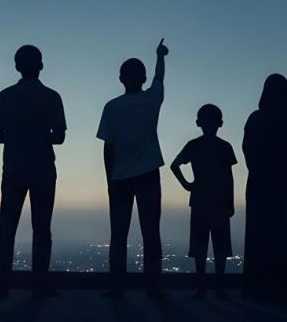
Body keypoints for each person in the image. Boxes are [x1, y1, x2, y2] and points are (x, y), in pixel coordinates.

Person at [0, 45, 66, 298]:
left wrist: (17, 136)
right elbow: (59, 138)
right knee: (42, 228)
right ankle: (40, 284)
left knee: (7, 227)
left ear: (16, 66)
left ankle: (2, 285)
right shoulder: (52, 97)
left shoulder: (5, 96)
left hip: (13, 167)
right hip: (44, 167)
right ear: (41, 66)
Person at [97, 38, 169, 296]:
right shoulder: (151, 100)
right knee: (151, 233)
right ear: (143, 77)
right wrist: (160, 55)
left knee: (118, 234)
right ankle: (154, 285)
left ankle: (117, 285)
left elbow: (108, 147)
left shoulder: (112, 107)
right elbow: (160, 79)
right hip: (149, 175)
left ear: (120, 79)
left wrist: (109, 180)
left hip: (119, 178)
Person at [242, 74, 287, 301]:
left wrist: (264, 172)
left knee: (261, 236)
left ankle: (260, 287)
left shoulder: (255, 119)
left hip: (261, 189)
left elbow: (249, 153)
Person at [170, 104, 237, 299]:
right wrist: (230, 201)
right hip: (219, 202)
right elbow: (229, 177)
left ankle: (201, 288)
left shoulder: (194, 145)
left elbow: (175, 165)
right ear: (220, 124)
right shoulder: (224, 147)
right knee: (219, 248)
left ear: (198, 123)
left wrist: (187, 185)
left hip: (200, 200)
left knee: (201, 247)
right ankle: (219, 289)